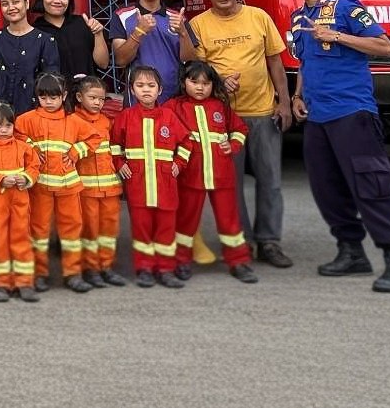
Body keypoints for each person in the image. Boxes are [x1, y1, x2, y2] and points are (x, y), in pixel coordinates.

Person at [282, 0, 390, 291]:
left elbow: (384, 47)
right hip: (317, 115)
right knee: (327, 187)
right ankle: (351, 252)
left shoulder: (347, 7)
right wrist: (297, 96)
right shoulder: (299, 17)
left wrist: (336, 36)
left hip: (351, 111)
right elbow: (305, 62)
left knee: (371, 185)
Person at [181, 0, 293, 269]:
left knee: (270, 181)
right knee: (230, 185)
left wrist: (284, 102)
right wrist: (218, 82)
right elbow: (195, 71)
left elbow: (275, 62)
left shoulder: (259, 17)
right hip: (222, 119)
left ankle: (269, 242)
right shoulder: (198, 24)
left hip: (263, 111)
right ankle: (240, 242)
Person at [172, 60, 257, 283]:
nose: (200, 87)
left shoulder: (220, 106)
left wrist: (234, 145)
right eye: (194, 82)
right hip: (190, 175)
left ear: (213, 85)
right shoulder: (174, 107)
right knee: (186, 221)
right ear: (184, 82)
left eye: (206, 83)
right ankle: (181, 261)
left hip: (222, 175)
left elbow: (239, 129)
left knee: (230, 221)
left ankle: (238, 262)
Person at [110, 63, 183, 289]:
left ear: (160, 90)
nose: (146, 90)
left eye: (151, 85)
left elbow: (187, 142)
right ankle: (144, 269)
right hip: (138, 186)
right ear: (132, 90)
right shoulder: (125, 117)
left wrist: (179, 163)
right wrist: (120, 163)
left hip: (165, 186)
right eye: (140, 85)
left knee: (166, 229)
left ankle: (166, 269)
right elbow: (114, 144)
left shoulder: (169, 116)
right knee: (141, 229)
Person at [16, 71, 90, 291]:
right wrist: (31, 148)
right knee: (38, 231)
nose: (48, 102)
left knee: (71, 231)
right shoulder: (27, 119)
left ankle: (73, 273)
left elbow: (95, 138)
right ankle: (39, 273)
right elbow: (16, 135)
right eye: (43, 97)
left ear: (64, 96)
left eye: (54, 97)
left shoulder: (74, 121)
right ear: (37, 96)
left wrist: (76, 151)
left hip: (68, 186)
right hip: (40, 186)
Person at [0, 103, 39, 303]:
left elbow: (34, 166)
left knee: (22, 239)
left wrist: (26, 178)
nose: (4, 130)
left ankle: (24, 282)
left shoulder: (23, 147)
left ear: (13, 126)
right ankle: (1, 283)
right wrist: (1, 180)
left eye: (8, 126)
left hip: (20, 201)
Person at [71, 76, 125, 286]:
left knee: (109, 230)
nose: (97, 103)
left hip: (110, 187)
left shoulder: (106, 121)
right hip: (86, 189)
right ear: (79, 97)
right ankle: (91, 268)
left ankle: (107, 266)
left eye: (101, 99)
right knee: (90, 230)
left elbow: (114, 149)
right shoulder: (73, 121)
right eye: (92, 97)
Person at [110, 0, 185, 103]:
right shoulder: (122, 15)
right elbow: (121, 60)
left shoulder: (178, 17)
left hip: (175, 99)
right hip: (137, 102)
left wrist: (183, 33)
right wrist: (139, 31)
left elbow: (190, 59)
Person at [0, 0, 59, 118]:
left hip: (32, 111)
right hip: (0, 111)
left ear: (26, 3)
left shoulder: (45, 40)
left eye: (16, 2)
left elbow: (51, 80)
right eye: (5, 4)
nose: (11, 7)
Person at [32, 0, 110, 94]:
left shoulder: (83, 23)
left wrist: (98, 34)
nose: (57, 0)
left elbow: (103, 64)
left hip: (87, 96)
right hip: (54, 98)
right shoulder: (35, 31)